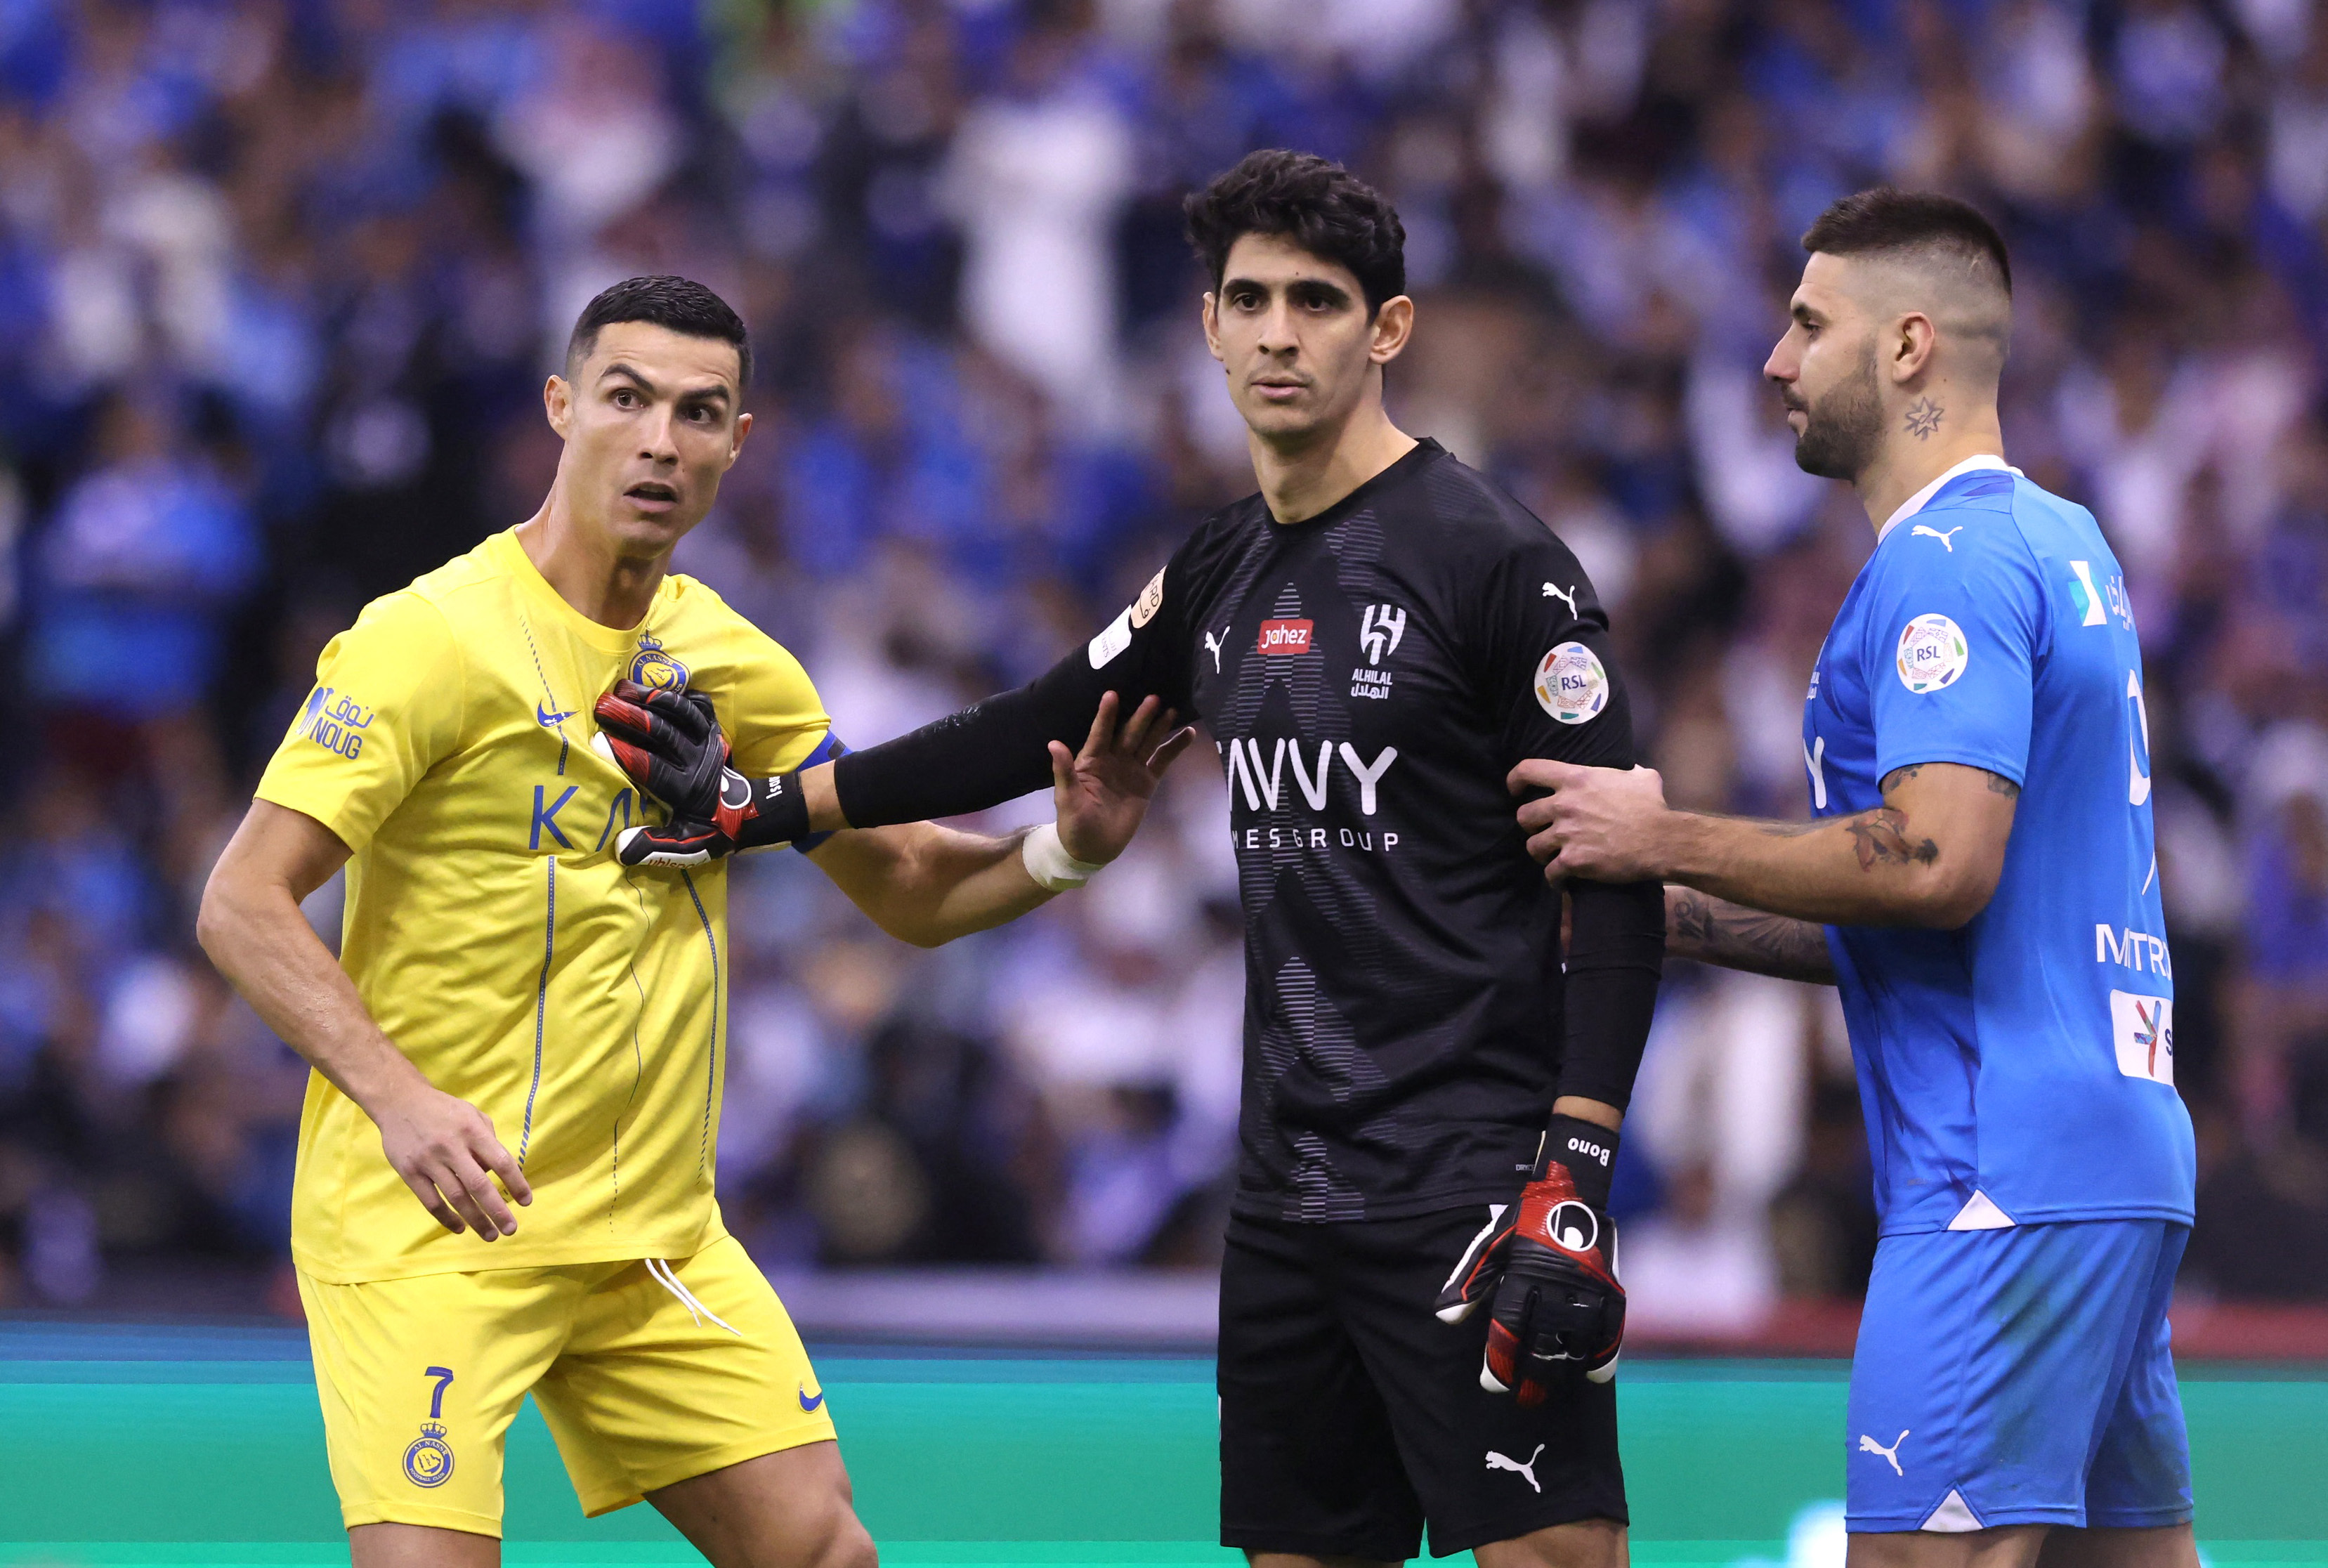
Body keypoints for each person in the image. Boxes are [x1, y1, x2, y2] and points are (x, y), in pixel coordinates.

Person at [599, 152, 1663, 1568]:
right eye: (1250, 300)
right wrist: (764, 810)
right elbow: (1033, 726)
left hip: (1467, 1183)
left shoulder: (1494, 566)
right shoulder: (1219, 570)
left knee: (1553, 1561)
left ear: (1385, 331)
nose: (1279, 332)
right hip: (1285, 1201)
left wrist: (1574, 1165)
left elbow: (1618, 875)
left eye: (1318, 301)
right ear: (1208, 326)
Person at [196, 275, 1180, 1568]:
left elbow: (908, 890)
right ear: (561, 409)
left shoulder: (727, 661)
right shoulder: (425, 645)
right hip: (433, 1222)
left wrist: (1066, 849)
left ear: (737, 443)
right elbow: (241, 903)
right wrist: (400, 1100)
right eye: (626, 399)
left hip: (644, 1240)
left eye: (697, 412)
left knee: (825, 1553)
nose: (660, 439)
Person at [1510, 190, 2198, 1568]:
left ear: (1906, 349)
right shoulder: (2063, 544)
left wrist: (1660, 834)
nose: (1774, 359)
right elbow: (1926, 912)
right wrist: (1666, 909)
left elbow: (1937, 861)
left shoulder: (1939, 571)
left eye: (1807, 324)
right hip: (2110, 1151)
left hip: (1993, 1169)